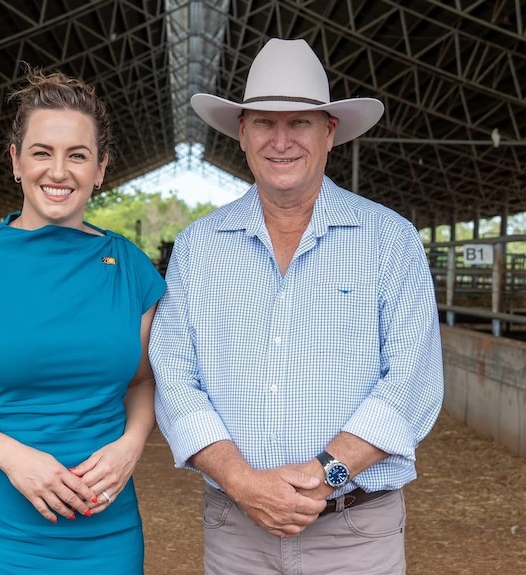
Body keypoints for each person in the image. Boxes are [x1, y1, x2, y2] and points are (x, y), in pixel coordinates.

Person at [148, 38, 444, 575]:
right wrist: (243, 482)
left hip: (355, 531)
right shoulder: (199, 245)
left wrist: (320, 477)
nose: (281, 141)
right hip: (236, 527)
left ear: (329, 133)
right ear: (242, 133)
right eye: (264, 122)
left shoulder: (389, 240)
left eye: (300, 123)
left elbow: (411, 381)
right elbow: (174, 375)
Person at [0, 67, 165, 574]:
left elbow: (142, 379)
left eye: (78, 155)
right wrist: (14, 458)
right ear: (16, 161)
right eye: (42, 152)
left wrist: (132, 445)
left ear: (101, 168)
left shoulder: (129, 267)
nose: (58, 171)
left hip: (102, 528)